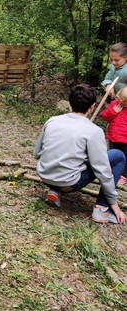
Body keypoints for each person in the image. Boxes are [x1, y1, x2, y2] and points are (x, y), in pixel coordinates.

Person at [34, 84, 126, 224]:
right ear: (92, 106)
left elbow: (36, 153)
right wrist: (114, 203)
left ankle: (55, 191)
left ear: (70, 102)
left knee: (72, 160)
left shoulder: (52, 120)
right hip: (69, 182)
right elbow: (103, 170)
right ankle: (101, 208)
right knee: (118, 155)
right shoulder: (93, 131)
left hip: (44, 176)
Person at [100, 86, 127, 185]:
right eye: (121, 100)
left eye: (125, 103)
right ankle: (109, 171)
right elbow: (104, 116)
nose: (122, 103)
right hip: (113, 136)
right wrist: (113, 112)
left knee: (125, 157)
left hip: (125, 139)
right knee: (112, 154)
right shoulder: (114, 104)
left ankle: (123, 175)